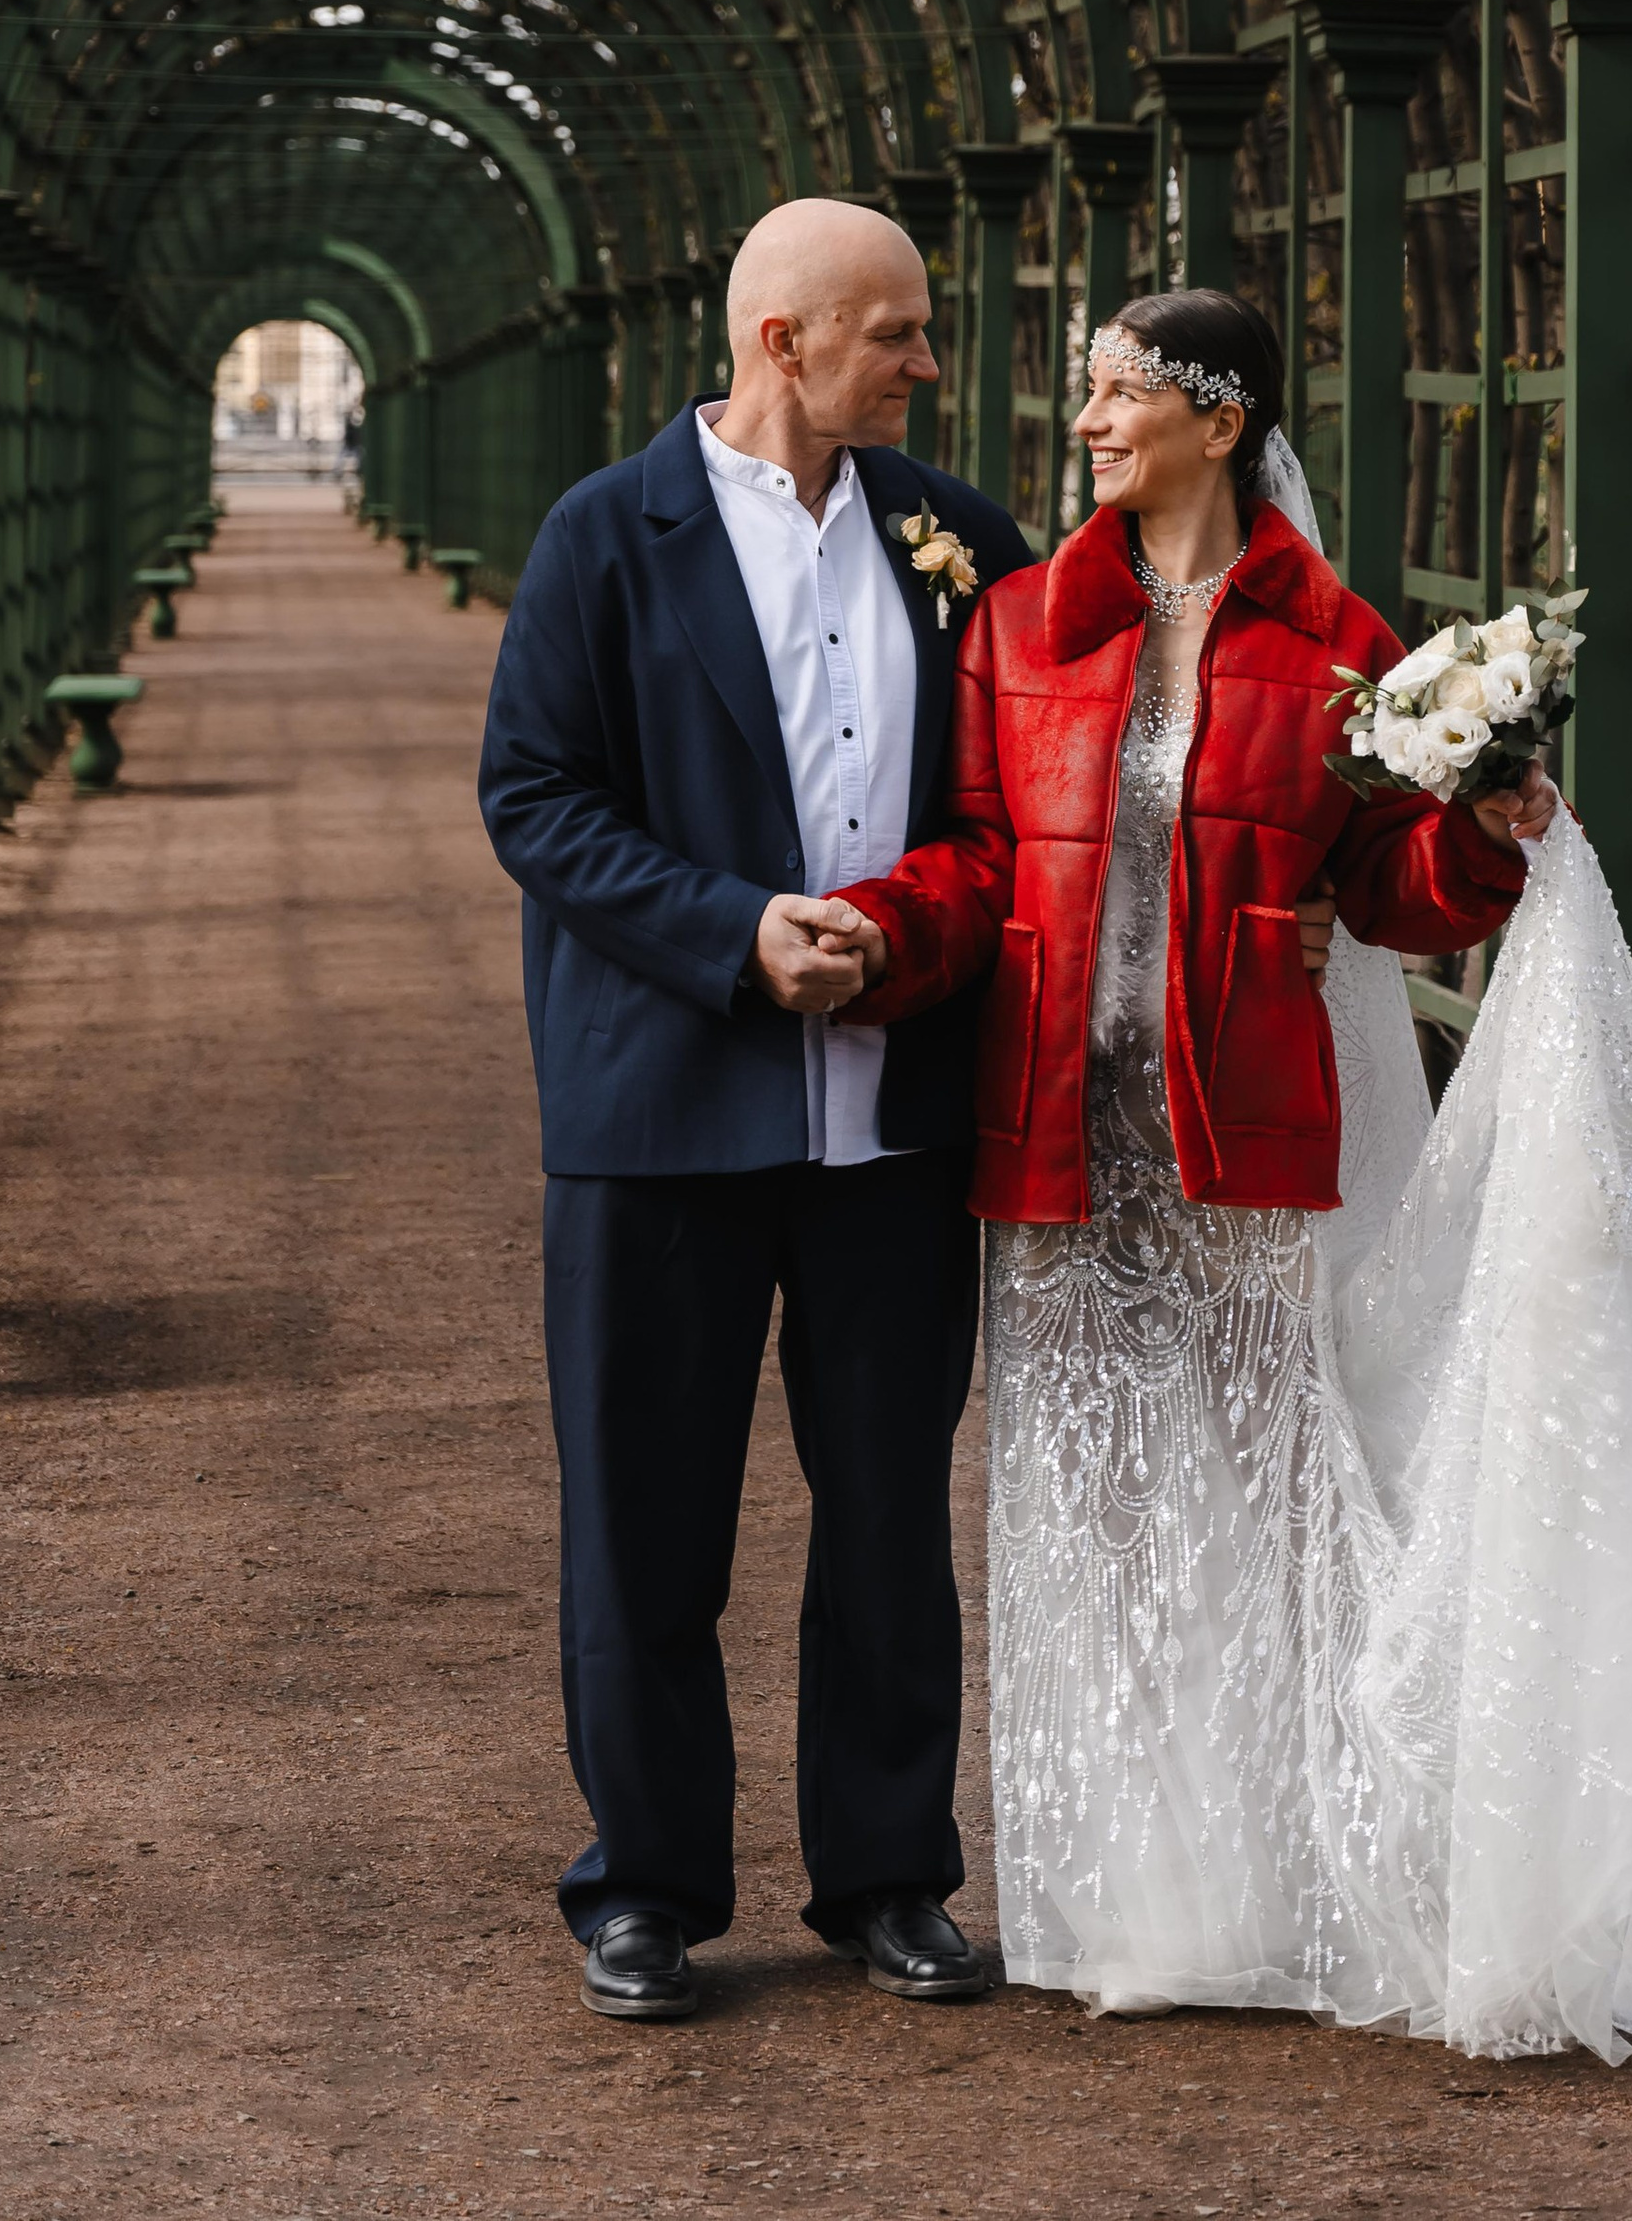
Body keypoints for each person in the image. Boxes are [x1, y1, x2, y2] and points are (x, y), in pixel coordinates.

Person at [829, 289, 1632, 2063]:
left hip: (1242, 1141)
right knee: (1088, 1521)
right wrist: (867, 938)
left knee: (1274, 1513)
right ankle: (1127, 1906)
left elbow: (1393, 891)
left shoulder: (1339, 641)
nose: (1088, 420)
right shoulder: (1019, 623)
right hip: (1052, 1145)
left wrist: (1485, 842)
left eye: (1118, 392)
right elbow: (973, 860)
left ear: (1219, 413)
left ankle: (1302, 1890)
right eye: (1093, 390)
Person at [477, 197, 1030, 2023]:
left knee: (888, 1519)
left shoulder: (962, 539)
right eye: (899, 334)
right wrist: (735, 936)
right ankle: (642, 1886)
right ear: (783, 342)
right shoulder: (600, 537)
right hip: (660, 1119)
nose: (927, 363)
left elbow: (1026, 795)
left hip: (894, 1124)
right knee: (647, 1523)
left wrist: (902, 936)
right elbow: (535, 800)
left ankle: (887, 1875)